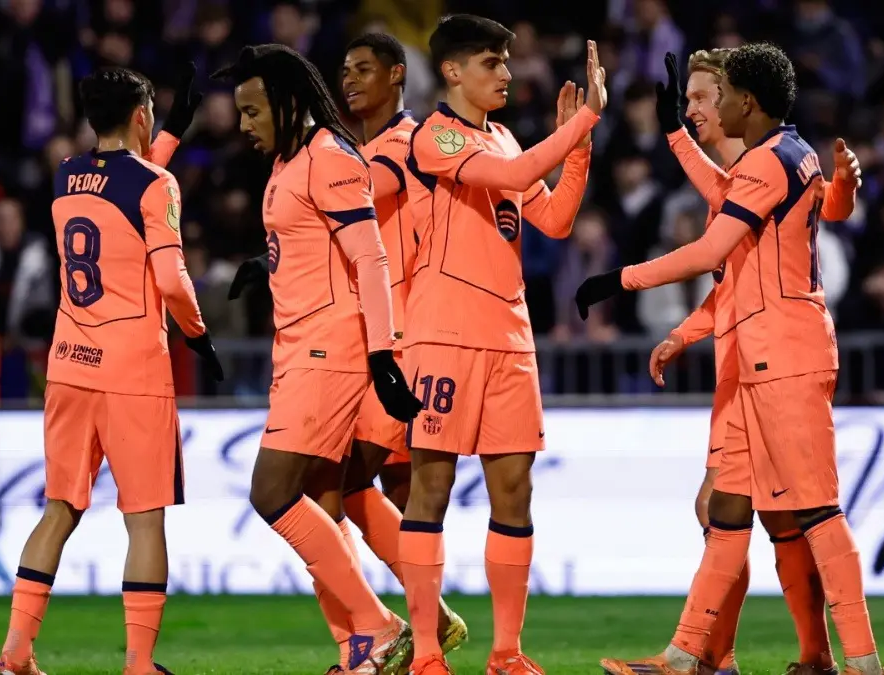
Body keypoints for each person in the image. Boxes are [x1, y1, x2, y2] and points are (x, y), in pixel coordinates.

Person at [577, 42, 884, 675]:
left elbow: (708, 247)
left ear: (744, 100)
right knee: (727, 508)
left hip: (783, 353)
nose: (700, 108)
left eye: (708, 97)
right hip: (757, 358)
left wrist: (620, 280)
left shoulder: (770, 161)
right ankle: (688, 655)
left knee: (815, 511)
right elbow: (766, 212)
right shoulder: (785, 156)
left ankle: (860, 662)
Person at [0, 64, 220, 675]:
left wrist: (170, 133)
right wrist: (198, 336)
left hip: (69, 365)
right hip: (133, 373)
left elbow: (121, 186)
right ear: (140, 115)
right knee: (144, 521)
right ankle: (140, 665)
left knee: (59, 509)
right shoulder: (157, 186)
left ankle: (15, 654)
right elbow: (170, 275)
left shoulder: (67, 176)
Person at [396, 15, 606, 675]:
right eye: (493, 63)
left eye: (507, 63)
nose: (507, 74)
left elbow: (554, 217)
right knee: (429, 486)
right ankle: (428, 650)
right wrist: (581, 123)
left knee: (514, 489)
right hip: (445, 335)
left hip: (510, 338)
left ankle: (506, 651)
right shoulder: (434, 137)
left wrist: (578, 149)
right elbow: (513, 181)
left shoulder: (508, 136)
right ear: (454, 71)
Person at [214, 44, 423, 675]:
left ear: (286, 102)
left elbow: (371, 259)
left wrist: (383, 357)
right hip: (299, 347)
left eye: (253, 111)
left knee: (272, 492)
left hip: (330, 348)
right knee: (323, 502)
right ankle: (365, 644)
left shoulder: (329, 157)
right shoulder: (291, 161)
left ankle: (380, 625)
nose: (244, 124)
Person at [338, 32, 470, 666]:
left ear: (397, 76)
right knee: (396, 496)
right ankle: (428, 629)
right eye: (344, 70)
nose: (350, 79)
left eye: (364, 69)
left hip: (406, 347)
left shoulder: (404, 145)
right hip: (386, 341)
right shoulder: (370, 148)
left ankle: (407, 630)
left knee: (331, 484)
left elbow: (347, 197)